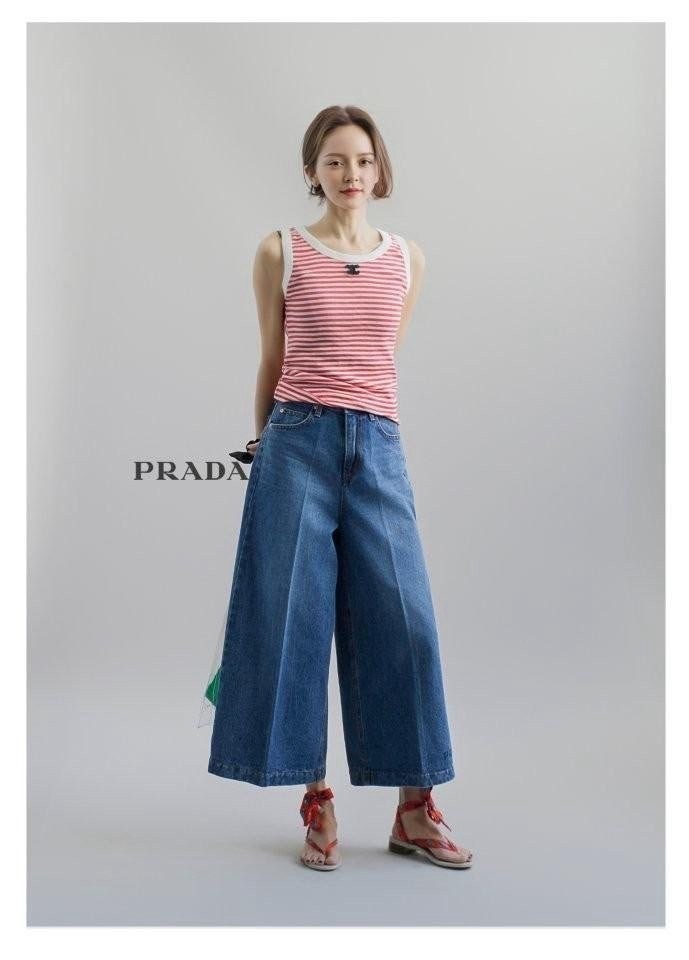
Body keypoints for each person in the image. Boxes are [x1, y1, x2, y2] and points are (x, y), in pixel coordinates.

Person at [205, 104, 473, 871]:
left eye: (361, 160)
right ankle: (315, 797)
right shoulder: (280, 251)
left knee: (405, 620)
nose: (349, 173)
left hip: (378, 445)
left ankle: (414, 810)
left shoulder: (406, 259)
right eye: (333, 161)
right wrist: (264, 450)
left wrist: (367, 437)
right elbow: (272, 358)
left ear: (379, 169)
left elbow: (382, 360)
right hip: (296, 440)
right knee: (292, 618)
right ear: (311, 172)